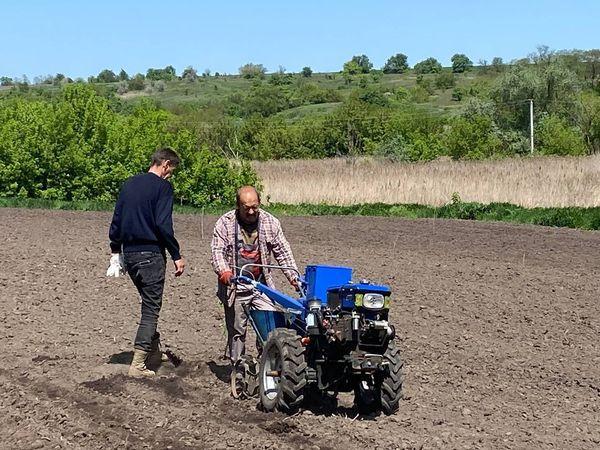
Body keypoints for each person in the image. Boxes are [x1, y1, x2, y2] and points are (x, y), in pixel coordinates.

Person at [107, 147, 185, 377]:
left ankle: (153, 352)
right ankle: (138, 364)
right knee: (151, 309)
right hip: (150, 255)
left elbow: (117, 219)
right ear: (165, 164)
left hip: (129, 255)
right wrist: (176, 255)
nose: (171, 175)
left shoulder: (130, 183)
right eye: (172, 170)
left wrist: (115, 251)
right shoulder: (163, 188)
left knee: (147, 303)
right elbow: (163, 225)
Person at [211, 186, 299, 371]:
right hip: (235, 286)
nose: (251, 212)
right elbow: (217, 252)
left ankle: (267, 364)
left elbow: (283, 252)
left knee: (270, 324)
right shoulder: (225, 223)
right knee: (237, 330)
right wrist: (224, 272)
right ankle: (238, 367)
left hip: (261, 286)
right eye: (246, 208)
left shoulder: (270, 222)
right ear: (238, 206)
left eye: (255, 207)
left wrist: (293, 276)